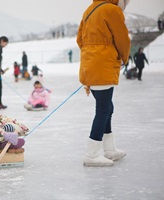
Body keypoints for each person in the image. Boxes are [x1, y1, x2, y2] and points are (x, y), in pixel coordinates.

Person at [77, 0, 131, 167]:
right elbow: (123, 38)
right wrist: (124, 57)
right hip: (102, 64)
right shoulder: (111, 10)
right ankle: (92, 154)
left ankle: (109, 150)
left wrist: (90, 54)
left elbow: (80, 39)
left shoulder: (89, 10)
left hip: (90, 65)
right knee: (103, 109)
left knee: (108, 107)